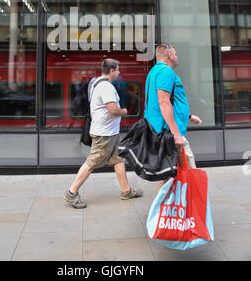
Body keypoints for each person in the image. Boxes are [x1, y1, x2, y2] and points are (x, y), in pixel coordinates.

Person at [64, 58, 143, 209]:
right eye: (118, 70)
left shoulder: (96, 82)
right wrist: (124, 111)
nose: (119, 73)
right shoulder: (106, 87)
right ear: (112, 71)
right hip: (104, 134)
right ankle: (71, 192)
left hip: (110, 133)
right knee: (92, 163)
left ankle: (126, 191)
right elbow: (113, 110)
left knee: (118, 159)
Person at [144, 44, 202, 192]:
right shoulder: (166, 72)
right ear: (169, 56)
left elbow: (163, 103)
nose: (177, 57)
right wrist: (176, 135)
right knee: (187, 172)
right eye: (175, 54)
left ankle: (163, 211)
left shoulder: (155, 71)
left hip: (166, 130)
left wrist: (188, 116)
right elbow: (163, 103)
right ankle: (183, 209)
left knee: (169, 175)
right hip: (171, 133)